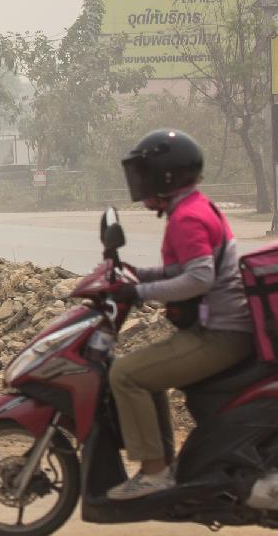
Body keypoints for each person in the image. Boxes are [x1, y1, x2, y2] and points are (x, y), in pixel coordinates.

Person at [104, 129, 254, 500]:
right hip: (222, 328)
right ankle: (164, 462)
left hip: (219, 335)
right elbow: (189, 269)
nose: (139, 185)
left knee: (125, 374)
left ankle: (154, 473)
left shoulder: (187, 216)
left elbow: (200, 278)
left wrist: (139, 291)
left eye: (144, 174)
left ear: (165, 177)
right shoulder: (195, 206)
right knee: (142, 371)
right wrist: (143, 274)